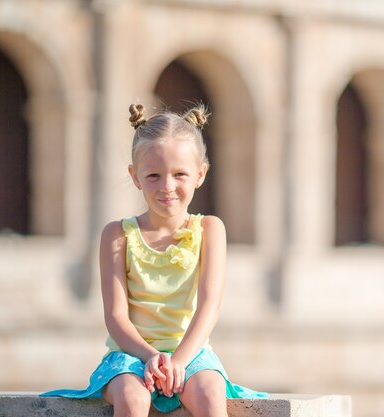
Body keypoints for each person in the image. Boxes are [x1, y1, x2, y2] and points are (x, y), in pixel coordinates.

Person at [42, 103, 268, 416]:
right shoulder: (117, 235)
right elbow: (116, 317)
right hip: (130, 355)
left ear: (200, 174)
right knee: (134, 400)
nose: (167, 187)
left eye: (180, 175)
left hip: (191, 353)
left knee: (209, 395)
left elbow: (209, 307)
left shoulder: (210, 229)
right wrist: (150, 357)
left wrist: (177, 361)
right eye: (153, 175)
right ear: (135, 177)